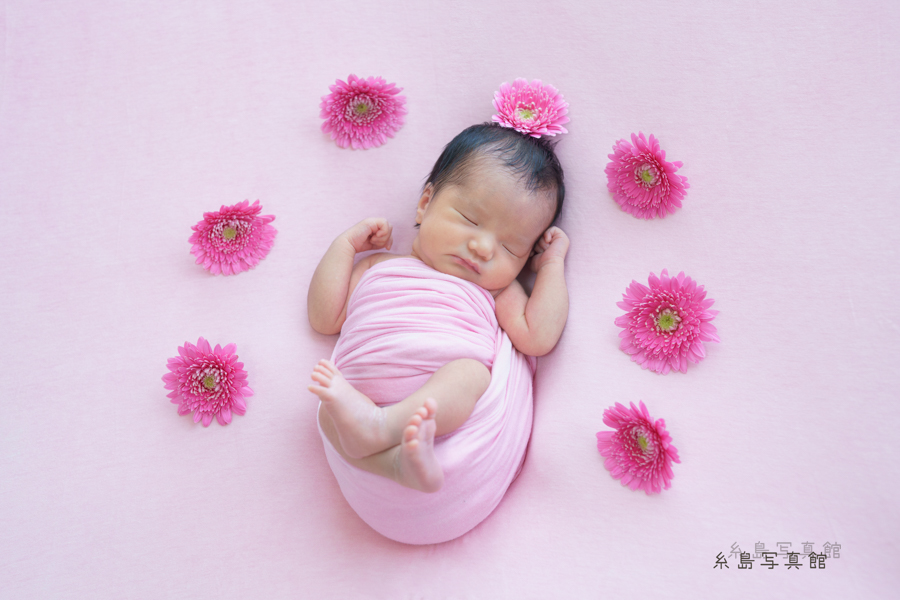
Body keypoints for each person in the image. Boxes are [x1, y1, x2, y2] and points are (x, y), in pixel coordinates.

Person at [307, 123, 569, 499]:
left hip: (440, 425)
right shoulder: (379, 265)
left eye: (511, 247)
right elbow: (323, 317)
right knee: (324, 413)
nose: (482, 247)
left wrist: (551, 266)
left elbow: (539, 336)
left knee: (469, 373)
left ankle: (384, 427)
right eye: (469, 220)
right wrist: (345, 246)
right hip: (362, 411)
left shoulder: (495, 290)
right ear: (425, 202)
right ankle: (389, 462)